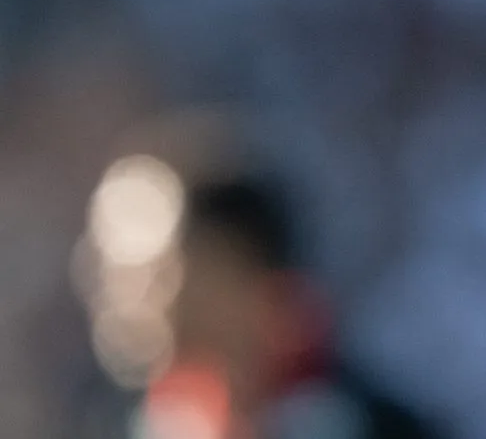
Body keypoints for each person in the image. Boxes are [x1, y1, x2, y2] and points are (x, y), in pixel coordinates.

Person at [80, 157, 438, 439]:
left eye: (157, 273)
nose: (125, 299)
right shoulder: (143, 427)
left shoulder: (381, 428)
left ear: (250, 278)